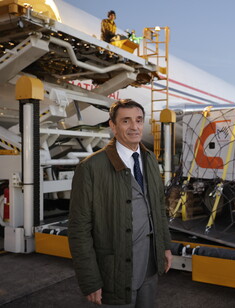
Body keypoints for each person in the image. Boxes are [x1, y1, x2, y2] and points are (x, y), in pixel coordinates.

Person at [68, 99, 172, 307]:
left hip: (149, 264)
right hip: (116, 270)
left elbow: (159, 208)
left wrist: (165, 246)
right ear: (113, 126)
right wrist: (90, 280)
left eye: (139, 120)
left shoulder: (149, 159)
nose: (134, 127)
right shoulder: (91, 168)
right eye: (126, 121)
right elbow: (79, 228)